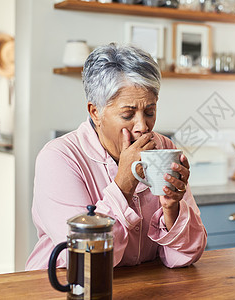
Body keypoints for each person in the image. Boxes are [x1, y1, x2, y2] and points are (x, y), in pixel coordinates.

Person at [26, 43, 207, 270]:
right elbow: (86, 262)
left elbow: (185, 256)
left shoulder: (163, 148)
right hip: (63, 288)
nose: (143, 126)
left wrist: (172, 209)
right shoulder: (58, 158)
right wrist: (123, 185)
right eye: (128, 114)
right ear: (95, 112)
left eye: (150, 111)